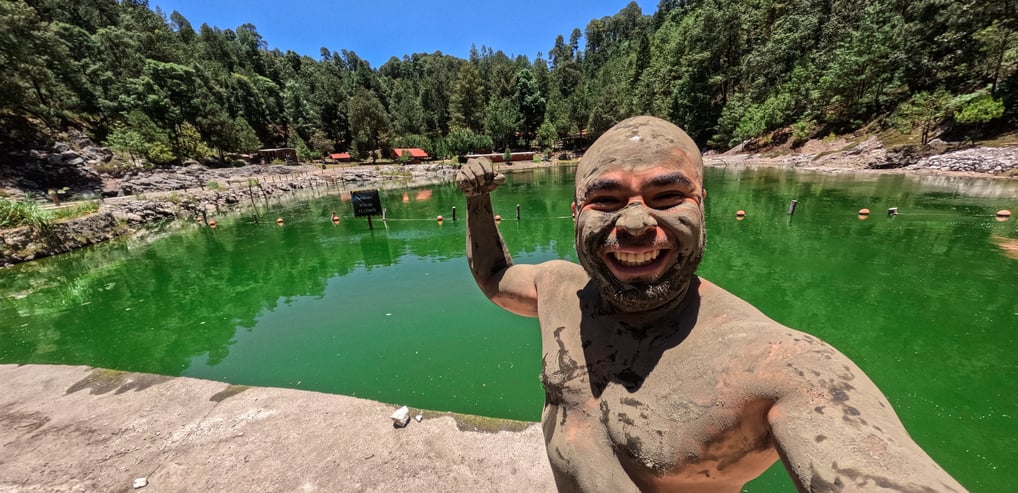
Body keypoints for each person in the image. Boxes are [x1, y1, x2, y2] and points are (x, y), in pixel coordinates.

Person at [456, 116, 966, 492]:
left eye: (666, 196)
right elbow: (496, 276)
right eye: (606, 201)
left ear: (703, 206)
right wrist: (478, 203)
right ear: (575, 214)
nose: (634, 225)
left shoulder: (780, 366)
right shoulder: (558, 290)